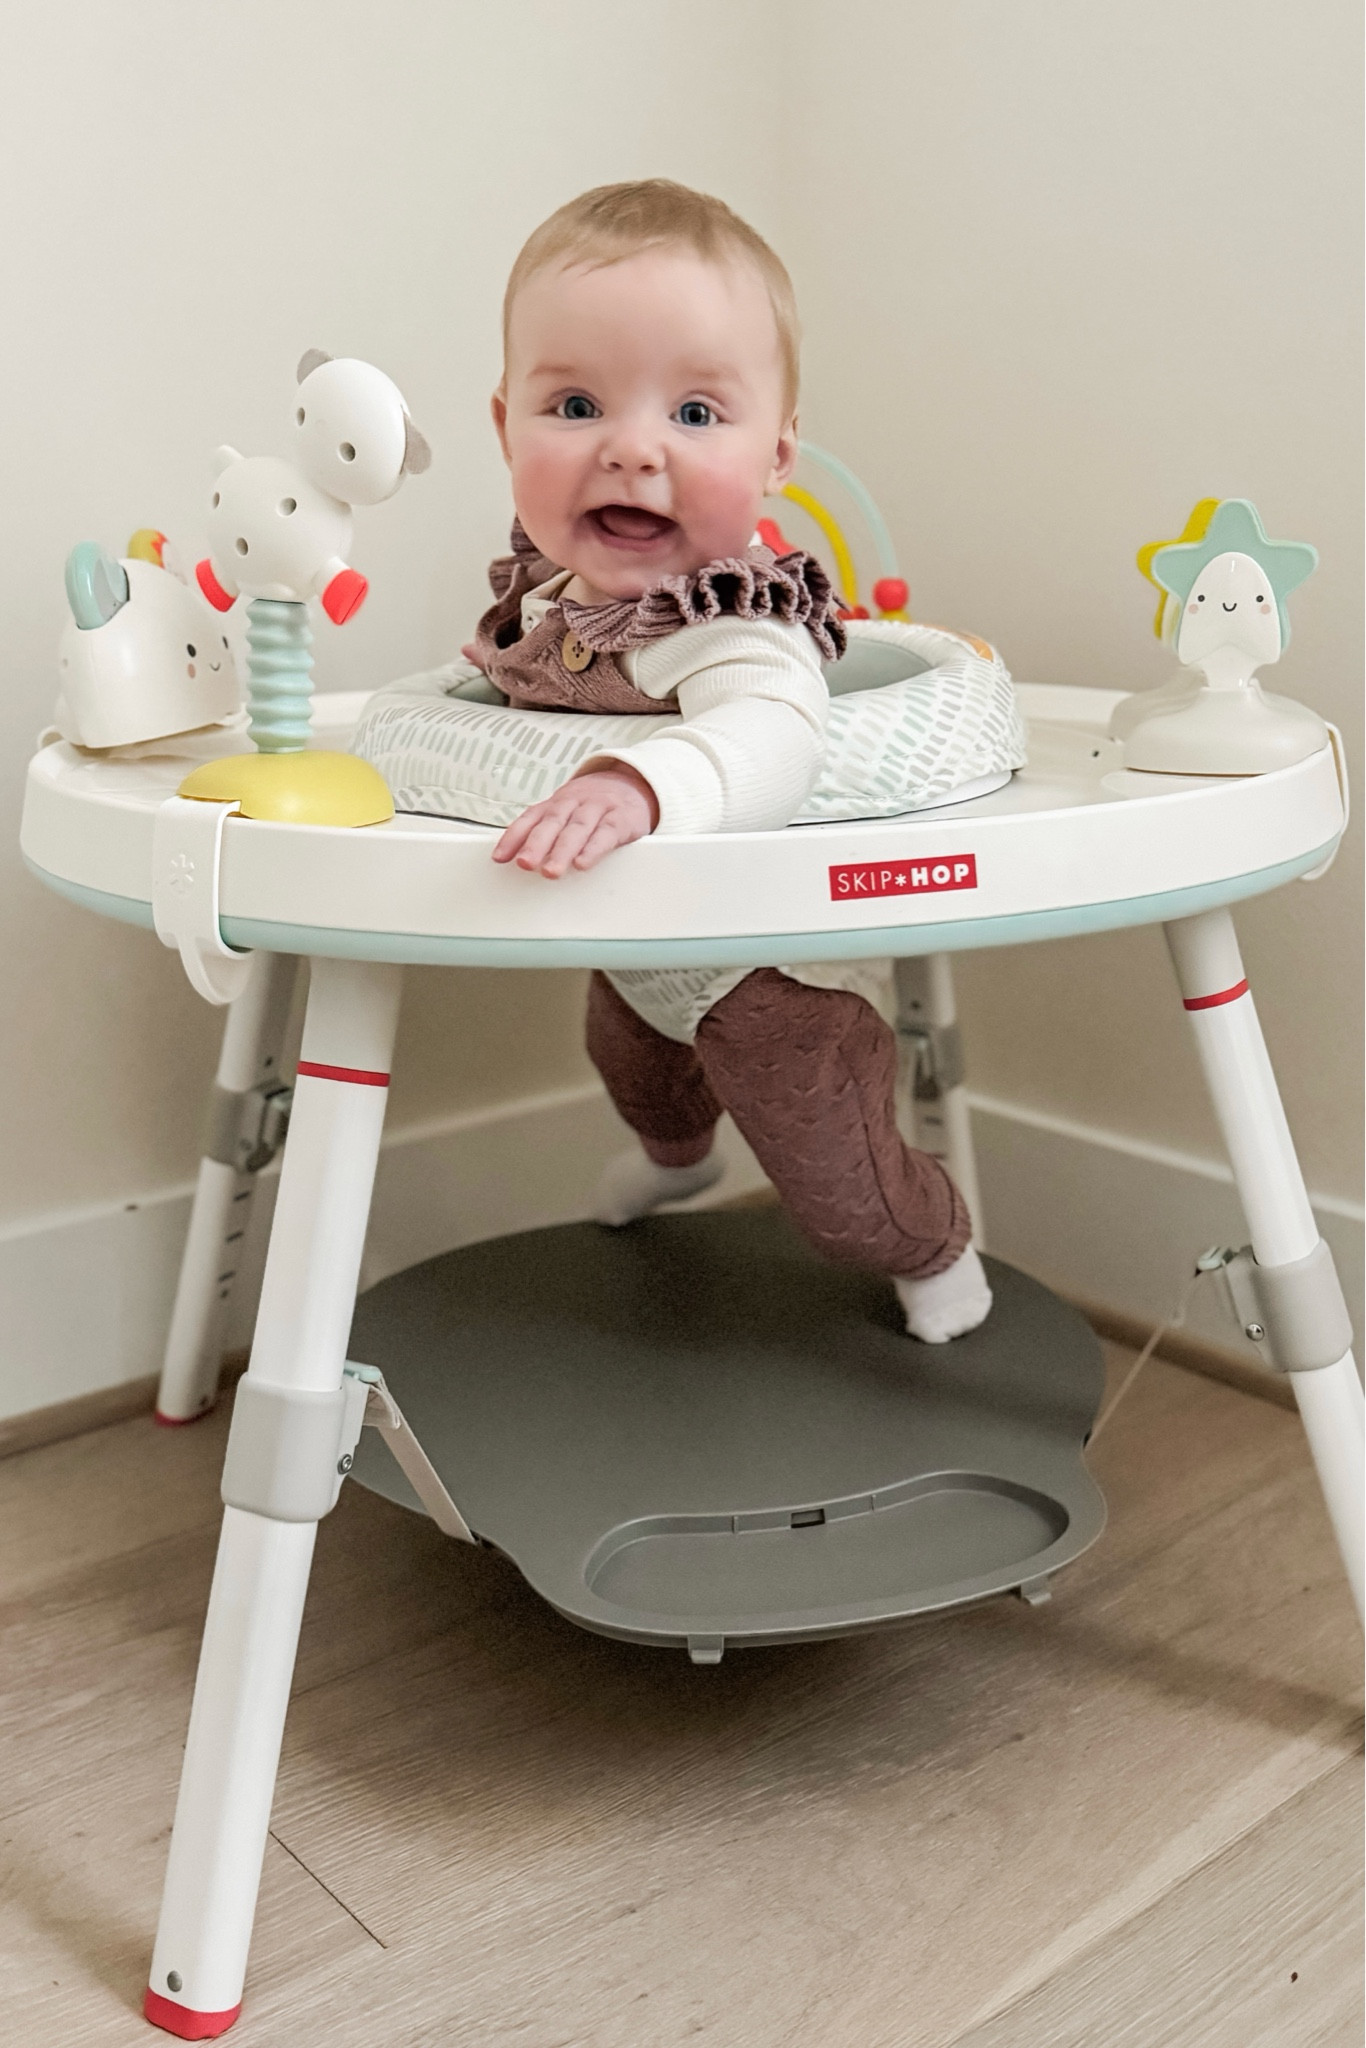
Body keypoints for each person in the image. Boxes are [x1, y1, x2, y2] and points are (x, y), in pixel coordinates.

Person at [467, 178, 991, 1343]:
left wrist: (637, 782)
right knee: (632, 1068)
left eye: (698, 414)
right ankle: (675, 1156)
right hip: (649, 950)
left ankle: (934, 1240)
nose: (633, 448)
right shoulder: (548, 597)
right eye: (576, 402)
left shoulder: (730, 616)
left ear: (775, 458)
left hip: (779, 986)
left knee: (838, 1189)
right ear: (503, 425)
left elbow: (770, 734)